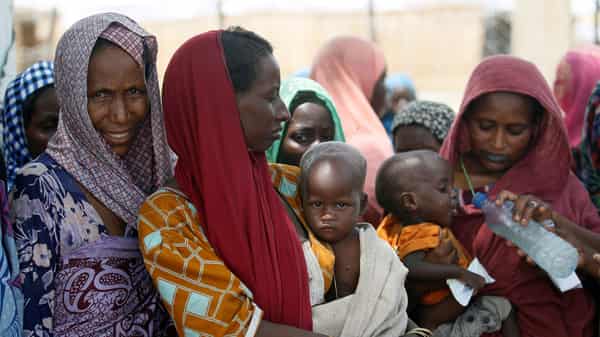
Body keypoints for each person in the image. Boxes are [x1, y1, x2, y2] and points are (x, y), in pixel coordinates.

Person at [136, 27, 338, 337]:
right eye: (271, 97)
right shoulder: (168, 219)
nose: (284, 113)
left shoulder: (292, 185)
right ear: (220, 105)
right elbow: (232, 330)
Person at [11, 13, 174, 336]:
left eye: (135, 91)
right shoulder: (41, 187)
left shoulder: (161, 179)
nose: (121, 114)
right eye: (100, 94)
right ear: (71, 97)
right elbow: (33, 320)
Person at [440, 54, 600, 337]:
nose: (498, 143)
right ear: (465, 120)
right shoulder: (439, 182)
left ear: (537, 126)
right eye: (485, 127)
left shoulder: (559, 184)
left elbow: (594, 253)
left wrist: (557, 225)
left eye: (515, 131)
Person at [376, 150, 519, 337]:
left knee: (502, 307)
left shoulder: (398, 226)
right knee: (503, 308)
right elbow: (410, 267)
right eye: (443, 189)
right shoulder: (420, 232)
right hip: (438, 314)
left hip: (447, 306)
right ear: (411, 202)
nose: (453, 194)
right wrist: (459, 273)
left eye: (453, 187)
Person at [298, 141, 409, 337]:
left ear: (363, 204)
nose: (327, 215)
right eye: (317, 204)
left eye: (340, 205)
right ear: (301, 203)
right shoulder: (304, 250)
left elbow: (390, 300)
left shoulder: (378, 252)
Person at [310, 36, 393, 225]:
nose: (386, 90)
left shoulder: (298, 136)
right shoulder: (369, 146)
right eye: (381, 79)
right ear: (357, 80)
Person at [2, 60, 57, 190]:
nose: (65, 137)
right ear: (19, 132)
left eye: (70, 123)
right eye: (49, 126)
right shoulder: (11, 202)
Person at [266, 77, 344, 166]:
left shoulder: (348, 177)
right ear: (276, 142)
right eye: (302, 137)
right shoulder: (253, 178)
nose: (318, 149)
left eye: (326, 138)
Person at [554, 47, 600, 149]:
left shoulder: (592, 145)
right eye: (556, 82)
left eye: (560, 82)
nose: (554, 91)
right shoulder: (555, 134)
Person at [382, 74, 417, 138]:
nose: (402, 103)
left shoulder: (418, 121)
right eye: (396, 99)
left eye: (407, 98)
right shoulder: (383, 124)